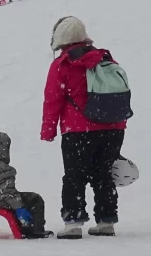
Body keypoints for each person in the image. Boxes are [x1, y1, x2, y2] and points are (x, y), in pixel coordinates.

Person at [41, 16, 129, 239]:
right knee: (104, 174)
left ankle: (73, 222)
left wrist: (48, 130)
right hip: (113, 127)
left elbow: (53, 99)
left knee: (74, 176)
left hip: (78, 129)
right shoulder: (105, 58)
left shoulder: (62, 64)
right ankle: (106, 221)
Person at [0, 132, 53, 239]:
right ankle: (34, 229)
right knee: (33, 199)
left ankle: (22, 224)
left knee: (15, 199)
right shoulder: (1, 168)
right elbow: (6, 191)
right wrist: (19, 207)